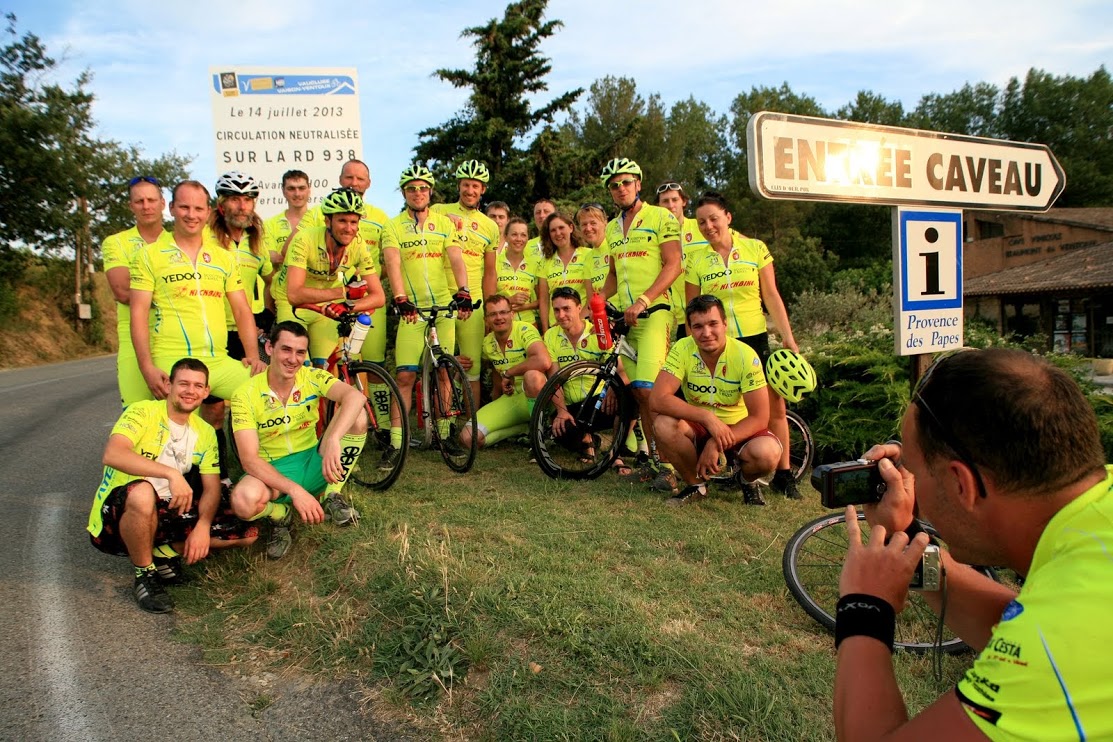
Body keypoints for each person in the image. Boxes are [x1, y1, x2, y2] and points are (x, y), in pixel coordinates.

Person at [833, 348, 1113, 741]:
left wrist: (864, 607)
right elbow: (1018, 621)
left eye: (912, 469)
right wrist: (911, 542)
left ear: (961, 483)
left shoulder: (1059, 641)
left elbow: (1051, 644)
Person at [87, 358, 258, 613]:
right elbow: (113, 454)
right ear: (168, 385)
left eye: (198, 386)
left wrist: (201, 527)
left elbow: (211, 488)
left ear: (206, 392)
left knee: (248, 531)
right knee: (143, 492)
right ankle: (145, 575)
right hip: (117, 515)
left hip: (167, 509)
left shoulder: (205, 432)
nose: (191, 391)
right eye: (184, 384)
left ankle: (162, 554)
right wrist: (171, 474)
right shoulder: (141, 411)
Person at [129, 180, 266, 454]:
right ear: (171, 209)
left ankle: (258, 473)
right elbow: (138, 314)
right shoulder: (149, 255)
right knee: (171, 431)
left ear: (209, 211)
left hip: (217, 360)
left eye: (197, 208)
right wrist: (147, 367)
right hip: (171, 358)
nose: (191, 215)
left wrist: (253, 355)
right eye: (184, 207)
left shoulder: (223, 257)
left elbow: (241, 310)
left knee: (268, 394)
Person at [685, 191, 802, 500]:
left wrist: (787, 336)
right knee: (719, 399)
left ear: (728, 217)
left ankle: (785, 474)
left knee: (773, 405)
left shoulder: (755, 248)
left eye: (713, 218)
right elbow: (691, 306)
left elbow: (772, 295)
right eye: (701, 222)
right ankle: (736, 461)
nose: (708, 226)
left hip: (754, 337)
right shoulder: (696, 259)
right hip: (718, 341)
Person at [228, 321, 369, 558]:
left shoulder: (312, 376)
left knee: (358, 416)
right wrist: (295, 491)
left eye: (300, 352)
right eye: (286, 349)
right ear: (270, 348)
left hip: (314, 458)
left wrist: (334, 438)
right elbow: (249, 460)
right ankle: (280, 515)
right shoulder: (245, 394)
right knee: (243, 500)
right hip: (273, 469)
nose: (293, 359)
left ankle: (332, 495)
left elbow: (355, 396)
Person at [599, 157, 682, 494]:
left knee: (650, 390)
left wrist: (644, 300)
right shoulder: (610, 227)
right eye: (614, 185)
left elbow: (674, 264)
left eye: (625, 182)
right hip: (627, 319)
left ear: (638, 184)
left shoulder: (660, 217)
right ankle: (652, 462)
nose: (620, 189)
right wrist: (600, 303)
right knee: (637, 392)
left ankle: (673, 467)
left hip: (656, 313)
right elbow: (615, 275)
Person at [649, 295, 780, 506]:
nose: (706, 333)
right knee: (663, 424)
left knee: (768, 453)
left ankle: (746, 481)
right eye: (698, 326)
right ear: (690, 329)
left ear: (725, 324)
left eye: (713, 324)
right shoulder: (682, 348)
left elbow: (760, 417)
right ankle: (696, 485)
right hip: (698, 426)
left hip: (738, 429)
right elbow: (657, 399)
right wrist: (706, 417)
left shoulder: (746, 355)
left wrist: (715, 442)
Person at [275, 160, 392, 374]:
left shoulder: (358, 245)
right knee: (296, 366)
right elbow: (294, 294)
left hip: (325, 303)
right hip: (292, 303)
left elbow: (379, 296)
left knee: (324, 370)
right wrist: (343, 293)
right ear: (328, 221)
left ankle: (328, 407)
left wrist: (347, 306)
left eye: (353, 222)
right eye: (342, 221)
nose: (349, 228)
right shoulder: (304, 239)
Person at [381, 165, 473, 431]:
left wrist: (463, 290)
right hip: (412, 311)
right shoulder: (393, 226)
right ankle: (397, 441)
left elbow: (456, 258)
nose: (417, 193)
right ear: (404, 193)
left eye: (422, 188)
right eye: (411, 189)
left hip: (442, 309)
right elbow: (393, 262)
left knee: (444, 370)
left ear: (430, 191)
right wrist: (400, 297)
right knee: (405, 376)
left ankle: (445, 436)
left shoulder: (444, 223)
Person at [432, 160, 502, 407]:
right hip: (442, 296)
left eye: (475, 186)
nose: (470, 190)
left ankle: (469, 421)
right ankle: (444, 422)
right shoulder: (439, 210)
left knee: (472, 364)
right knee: (443, 362)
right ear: (458, 186)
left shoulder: (490, 225)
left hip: (472, 302)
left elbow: (490, 272)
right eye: (465, 185)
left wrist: (490, 310)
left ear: (483, 189)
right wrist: (440, 217)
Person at [103, 175, 168, 408]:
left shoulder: (176, 241)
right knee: (137, 414)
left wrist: (142, 288)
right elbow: (121, 290)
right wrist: (172, 293)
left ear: (163, 203)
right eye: (139, 201)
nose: (146, 206)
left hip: (173, 338)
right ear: (131, 206)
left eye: (151, 200)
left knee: (180, 416)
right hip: (133, 338)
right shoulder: (116, 242)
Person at [540, 286, 625, 458]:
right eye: (556, 310)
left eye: (566, 309)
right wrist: (562, 411)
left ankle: (616, 454)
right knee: (560, 431)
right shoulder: (550, 335)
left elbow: (620, 368)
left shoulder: (597, 330)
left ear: (580, 308)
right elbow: (554, 377)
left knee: (629, 398)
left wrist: (611, 390)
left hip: (600, 402)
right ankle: (588, 439)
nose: (561, 315)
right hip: (572, 407)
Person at [460, 294, 550, 449]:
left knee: (533, 376)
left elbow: (544, 361)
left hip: (537, 397)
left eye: (503, 312)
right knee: (468, 438)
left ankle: (539, 434)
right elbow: (495, 378)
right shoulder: (488, 343)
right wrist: (456, 360)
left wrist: (510, 373)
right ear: (486, 320)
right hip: (512, 399)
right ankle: (524, 429)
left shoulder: (524, 329)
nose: (499, 318)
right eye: (493, 314)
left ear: (512, 314)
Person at [209, 171, 273, 359]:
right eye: (234, 199)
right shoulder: (205, 238)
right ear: (221, 203)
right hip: (211, 331)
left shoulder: (256, 242)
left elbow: (271, 281)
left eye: (247, 199)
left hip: (244, 332)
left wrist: (266, 314)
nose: (242, 206)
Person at [653, 181, 706, 340]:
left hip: (709, 312)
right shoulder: (655, 237)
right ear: (658, 206)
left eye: (674, 200)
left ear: (683, 201)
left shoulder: (701, 226)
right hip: (682, 319)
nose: (670, 205)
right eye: (665, 201)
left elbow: (735, 240)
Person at [536, 212, 594, 332]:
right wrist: (546, 330)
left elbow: (592, 296)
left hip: (584, 325)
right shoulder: (545, 262)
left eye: (561, 228)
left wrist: (578, 320)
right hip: (557, 327)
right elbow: (544, 301)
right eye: (553, 230)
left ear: (571, 228)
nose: (558, 233)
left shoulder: (589, 255)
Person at [495, 217, 540, 326]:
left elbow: (542, 301)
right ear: (505, 237)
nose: (519, 239)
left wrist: (525, 306)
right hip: (501, 322)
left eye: (523, 235)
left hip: (528, 323)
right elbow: (487, 298)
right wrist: (508, 300)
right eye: (514, 234)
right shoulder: (494, 262)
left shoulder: (535, 264)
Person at [262, 169, 311, 269]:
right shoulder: (269, 224)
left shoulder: (320, 220)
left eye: (301, 188)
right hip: (281, 283)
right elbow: (272, 259)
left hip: (314, 284)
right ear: (283, 191)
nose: (297, 194)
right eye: (291, 189)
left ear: (309, 190)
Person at [576, 202, 611, 297]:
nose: (588, 228)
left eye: (593, 223)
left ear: (605, 222)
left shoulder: (615, 247)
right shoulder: (588, 259)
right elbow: (590, 300)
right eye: (583, 224)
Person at [526, 198, 556, 263]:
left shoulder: (565, 244)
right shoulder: (526, 246)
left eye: (546, 211)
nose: (542, 215)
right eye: (538, 212)